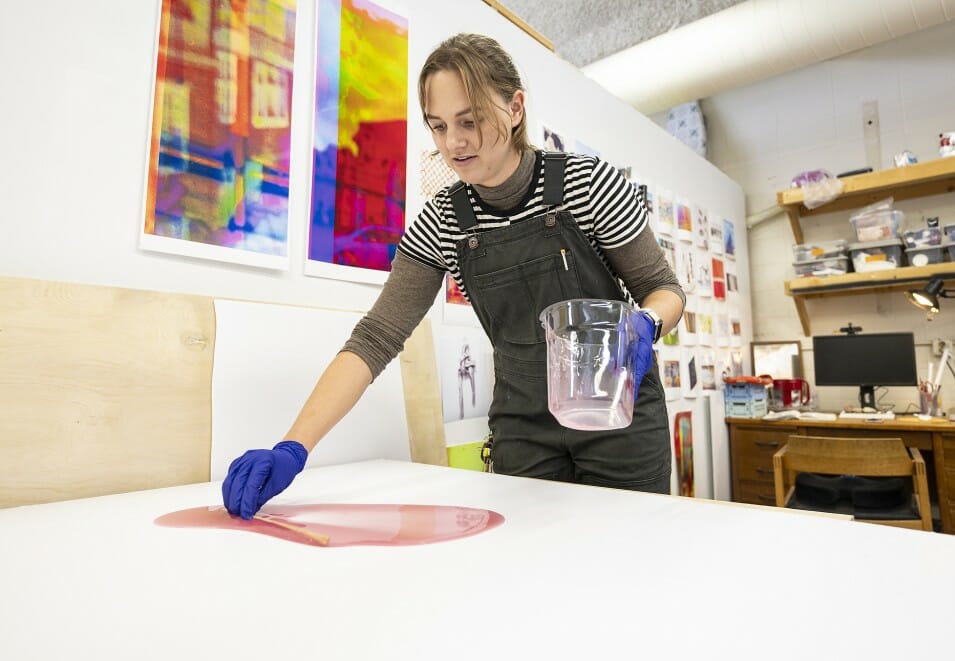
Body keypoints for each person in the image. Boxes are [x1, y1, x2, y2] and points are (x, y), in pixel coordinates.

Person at [222, 33, 686, 519]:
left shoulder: (588, 185)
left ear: (515, 108)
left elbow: (665, 289)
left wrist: (647, 323)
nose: (453, 143)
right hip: (524, 431)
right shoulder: (442, 222)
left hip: (619, 421)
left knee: (626, 568)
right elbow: (376, 337)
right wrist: (293, 448)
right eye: (439, 126)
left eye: (470, 120)